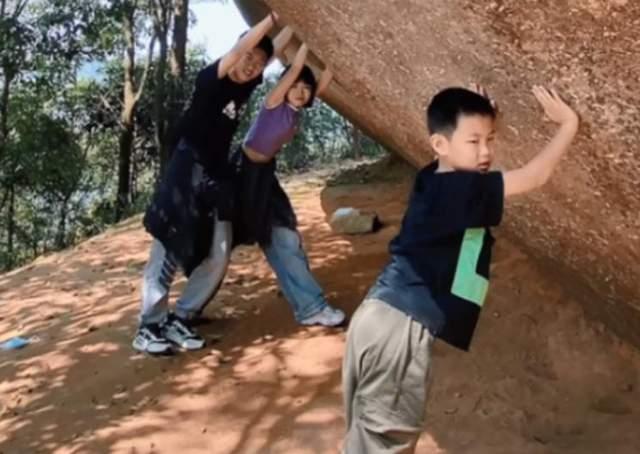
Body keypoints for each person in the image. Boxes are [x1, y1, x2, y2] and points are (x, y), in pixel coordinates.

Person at [342, 84, 579, 452]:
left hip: (378, 320)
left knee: (366, 440)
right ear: (440, 144)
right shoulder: (458, 192)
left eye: (491, 139)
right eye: (473, 141)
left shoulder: (434, 178)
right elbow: (534, 176)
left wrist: (481, 117)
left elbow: (471, 164)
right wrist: (568, 124)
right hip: (398, 330)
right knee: (384, 443)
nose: (486, 151)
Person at [132, 13, 278, 355]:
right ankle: (149, 325)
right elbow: (246, 47)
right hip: (186, 172)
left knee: (219, 251)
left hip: (216, 178)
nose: (252, 66)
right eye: (248, 58)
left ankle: (181, 317)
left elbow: (271, 53)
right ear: (235, 53)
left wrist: (288, 32)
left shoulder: (246, 87)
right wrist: (272, 16)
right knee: (169, 244)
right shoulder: (211, 79)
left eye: (258, 64)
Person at [228, 28, 345, 327]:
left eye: (306, 88)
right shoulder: (274, 103)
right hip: (242, 174)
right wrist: (304, 32)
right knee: (252, 238)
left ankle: (309, 307)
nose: (302, 90)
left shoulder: (296, 109)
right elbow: (294, 69)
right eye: (296, 85)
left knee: (283, 237)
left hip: (264, 175)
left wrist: (337, 56)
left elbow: (323, 82)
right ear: (285, 85)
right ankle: (310, 306)